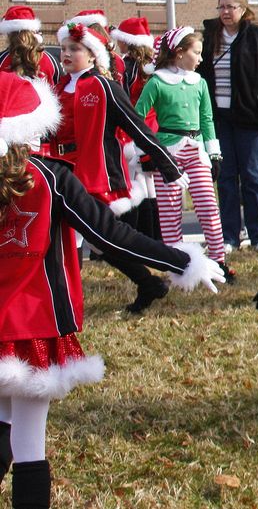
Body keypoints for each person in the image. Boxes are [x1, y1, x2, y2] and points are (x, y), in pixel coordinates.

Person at [0, 69, 224, 507]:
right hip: (35, 329)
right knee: (29, 444)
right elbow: (110, 235)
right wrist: (183, 260)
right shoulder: (49, 178)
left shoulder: (49, 177)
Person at [54, 22, 190, 313]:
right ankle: (148, 283)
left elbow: (138, 128)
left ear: (93, 55)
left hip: (91, 173)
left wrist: (169, 167)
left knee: (87, 236)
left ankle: (67, 305)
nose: (66, 54)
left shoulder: (104, 87)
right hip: (60, 171)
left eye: (74, 49)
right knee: (97, 242)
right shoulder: (58, 87)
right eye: (64, 48)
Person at [134, 26, 233, 282]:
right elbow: (137, 116)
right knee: (170, 210)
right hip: (168, 153)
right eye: (196, 52)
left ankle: (219, 261)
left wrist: (214, 153)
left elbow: (207, 118)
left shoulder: (198, 82)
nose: (201, 58)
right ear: (179, 53)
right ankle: (176, 264)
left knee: (209, 206)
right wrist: (147, 151)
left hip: (197, 149)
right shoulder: (157, 82)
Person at [197, 0, 258, 254]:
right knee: (225, 178)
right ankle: (229, 236)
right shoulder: (209, 37)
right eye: (221, 7)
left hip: (251, 119)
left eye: (231, 7)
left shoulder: (257, 36)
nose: (225, 12)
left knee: (251, 177)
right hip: (219, 119)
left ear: (243, 10)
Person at [112, 16, 161, 241]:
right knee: (150, 185)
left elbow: (125, 100)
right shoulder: (152, 67)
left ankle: (140, 235)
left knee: (138, 183)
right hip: (153, 129)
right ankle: (155, 235)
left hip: (135, 131)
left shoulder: (128, 67)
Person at [0, 6, 58, 86]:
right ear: (33, 32)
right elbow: (59, 91)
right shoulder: (50, 60)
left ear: (9, 34)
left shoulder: (2, 59)